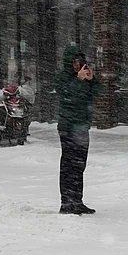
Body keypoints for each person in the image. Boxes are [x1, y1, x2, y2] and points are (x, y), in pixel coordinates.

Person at [54, 43, 102, 215]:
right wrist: (78, 80)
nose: (76, 65)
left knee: (79, 165)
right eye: (73, 62)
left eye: (78, 61)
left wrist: (92, 80)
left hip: (82, 126)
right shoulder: (62, 78)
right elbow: (67, 96)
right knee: (68, 165)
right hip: (68, 126)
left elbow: (97, 92)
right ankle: (66, 203)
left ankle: (77, 200)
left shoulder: (82, 77)